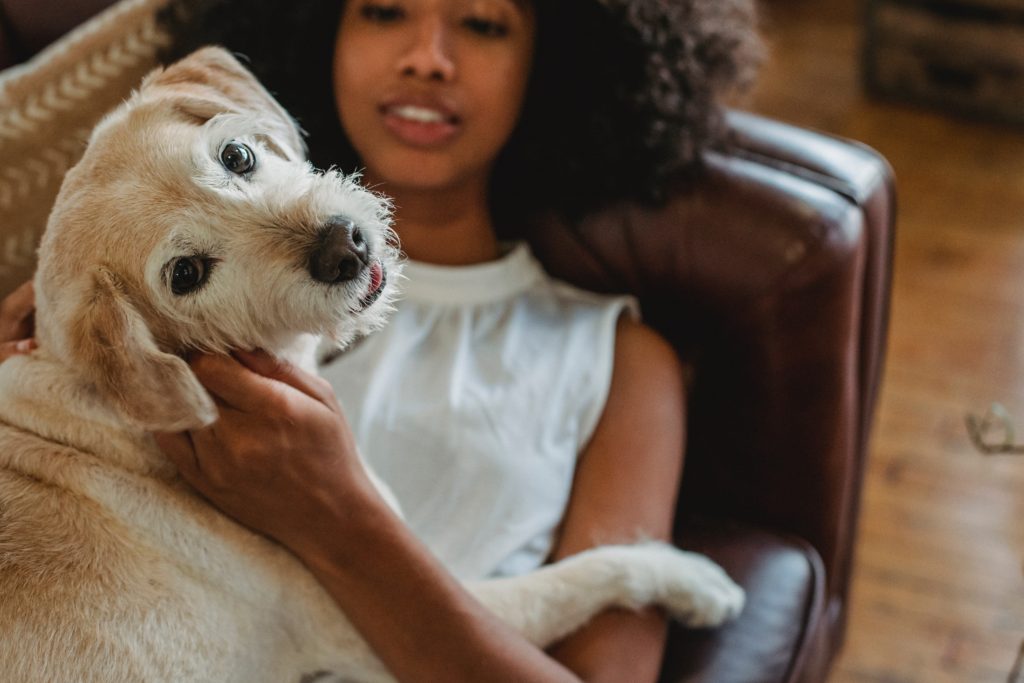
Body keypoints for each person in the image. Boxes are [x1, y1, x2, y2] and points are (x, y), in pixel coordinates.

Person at [0, 0, 760, 680]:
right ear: (323, 31)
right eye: (384, 11)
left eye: (483, 22)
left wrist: (336, 512)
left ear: (553, 58)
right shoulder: (156, 331)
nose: (427, 55)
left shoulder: (614, 355)